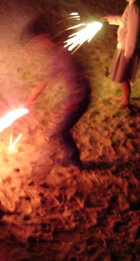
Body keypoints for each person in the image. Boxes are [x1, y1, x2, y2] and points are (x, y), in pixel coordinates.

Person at [25, 33, 91, 173]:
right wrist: (32, 98)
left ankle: (74, 161)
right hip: (74, 94)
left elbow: (81, 76)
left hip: (79, 96)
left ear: (45, 37)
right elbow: (48, 78)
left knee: (61, 130)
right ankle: (70, 155)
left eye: (37, 41)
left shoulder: (62, 53)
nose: (37, 46)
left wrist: (77, 100)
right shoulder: (58, 51)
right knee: (60, 120)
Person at [102, 0, 140, 107]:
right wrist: (110, 19)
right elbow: (125, 21)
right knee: (122, 74)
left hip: (127, 47)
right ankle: (124, 98)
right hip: (125, 45)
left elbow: (134, 30)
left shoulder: (134, 7)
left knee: (122, 75)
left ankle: (126, 100)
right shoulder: (133, 5)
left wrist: (129, 52)